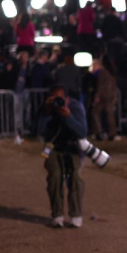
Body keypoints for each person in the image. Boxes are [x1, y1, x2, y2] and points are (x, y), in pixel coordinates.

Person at [37, 85, 87, 228]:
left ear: (66, 98)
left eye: (60, 99)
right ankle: (57, 215)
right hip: (53, 146)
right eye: (54, 98)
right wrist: (46, 112)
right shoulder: (47, 108)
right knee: (55, 176)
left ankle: (76, 215)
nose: (57, 102)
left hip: (73, 146)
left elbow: (82, 132)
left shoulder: (76, 107)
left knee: (75, 177)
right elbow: (39, 131)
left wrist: (68, 117)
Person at [89, 55, 119, 141]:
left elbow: (100, 86)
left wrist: (97, 96)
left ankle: (98, 132)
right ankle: (112, 133)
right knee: (110, 114)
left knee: (95, 112)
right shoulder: (111, 72)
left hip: (103, 96)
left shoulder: (102, 72)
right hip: (110, 95)